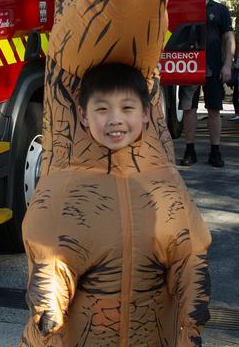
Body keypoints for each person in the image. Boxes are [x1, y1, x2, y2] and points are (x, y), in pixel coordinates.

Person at [23, 64, 212, 346]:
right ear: (83, 116)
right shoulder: (64, 187)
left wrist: (191, 327)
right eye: (102, 109)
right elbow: (51, 266)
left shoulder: (166, 183)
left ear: (146, 113)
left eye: (127, 108)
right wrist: (51, 332)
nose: (115, 120)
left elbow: (189, 256)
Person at [179, 0, 235, 167]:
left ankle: (215, 151)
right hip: (188, 67)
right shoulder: (184, 8)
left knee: (214, 110)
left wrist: (227, 65)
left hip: (213, 68)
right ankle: (189, 151)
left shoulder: (220, 10)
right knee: (189, 110)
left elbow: (228, 39)